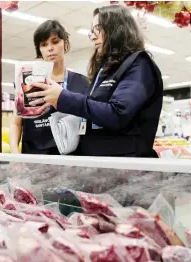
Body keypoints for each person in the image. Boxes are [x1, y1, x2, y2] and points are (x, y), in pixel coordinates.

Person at [28, 5, 163, 157]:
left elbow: (118, 114)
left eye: (98, 29)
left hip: (126, 167)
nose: (93, 36)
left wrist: (63, 97)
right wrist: (54, 102)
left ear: (117, 28)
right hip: (100, 165)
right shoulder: (107, 70)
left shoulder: (139, 64)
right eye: (92, 32)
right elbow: (93, 110)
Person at [10, 20, 89, 154]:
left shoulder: (82, 83)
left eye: (55, 41)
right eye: (44, 44)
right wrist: (14, 153)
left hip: (72, 159)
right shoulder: (28, 81)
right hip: (34, 159)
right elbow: (16, 123)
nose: (50, 48)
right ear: (40, 50)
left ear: (65, 43)